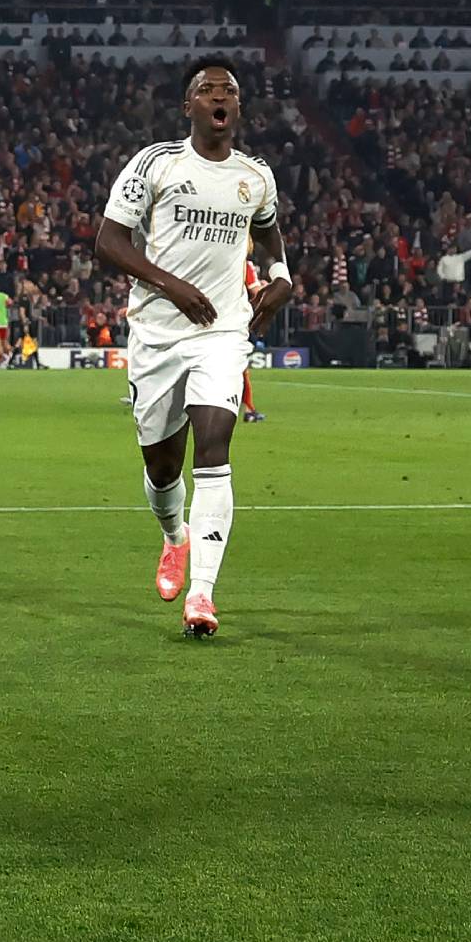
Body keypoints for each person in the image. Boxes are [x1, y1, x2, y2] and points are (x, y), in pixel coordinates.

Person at [94, 57, 293, 639]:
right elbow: (109, 240)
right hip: (157, 332)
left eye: (227, 89)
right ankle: (175, 536)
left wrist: (280, 275)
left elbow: (271, 233)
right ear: (190, 107)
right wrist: (172, 285)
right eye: (206, 90)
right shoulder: (155, 163)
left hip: (222, 331)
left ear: (237, 107)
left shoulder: (255, 177)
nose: (218, 96)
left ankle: (202, 595)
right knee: (161, 463)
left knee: (214, 444)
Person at [240, 260, 265, 423]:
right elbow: (257, 293)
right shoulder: (244, 263)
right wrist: (268, 287)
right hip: (232, 324)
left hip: (202, 319)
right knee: (241, 368)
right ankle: (249, 410)